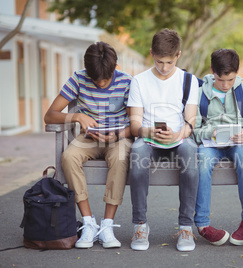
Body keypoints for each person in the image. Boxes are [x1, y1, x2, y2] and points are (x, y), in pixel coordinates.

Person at [44, 41, 133, 249]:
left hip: (118, 137)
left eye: (106, 79)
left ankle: (107, 225)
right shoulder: (78, 78)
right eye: (95, 79)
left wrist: (117, 134)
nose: (101, 83)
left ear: (115, 67)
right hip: (88, 139)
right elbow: (49, 116)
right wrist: (77, 116)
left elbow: (136, 124)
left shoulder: (127, 82)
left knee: (120, 158)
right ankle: (89, 223)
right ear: (87, 71)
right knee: (68, 156)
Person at [127, 29, 199, 252]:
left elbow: (190, 122)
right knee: (137, 154)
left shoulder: (189, 81)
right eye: (159, 61)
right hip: (149, 140)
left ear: (178, 55)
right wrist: (149, 132)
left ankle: (186, 227)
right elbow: (134, 124)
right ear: (151, 54)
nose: (164, 67)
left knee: (190, 154)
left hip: (178, 139)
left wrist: (177, 135)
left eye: (169, 62)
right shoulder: (139, 81)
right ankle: (140, 225)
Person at [193, 49, 243, 246]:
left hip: (237, 143)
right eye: (221, 80)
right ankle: (202, 224)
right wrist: (210, 133)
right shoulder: (199, 94)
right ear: (213, 71)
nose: (225, 85)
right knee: (202, 162)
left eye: (230, 80)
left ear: (237, 73)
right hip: (210, 144)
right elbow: (194, 130)